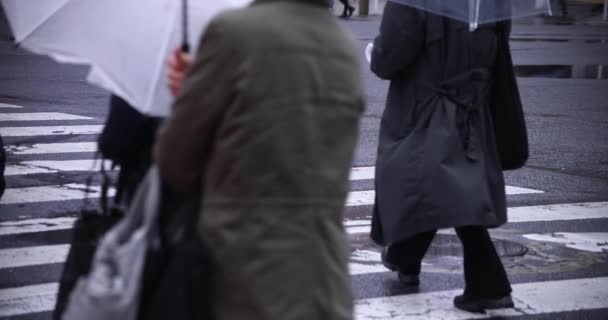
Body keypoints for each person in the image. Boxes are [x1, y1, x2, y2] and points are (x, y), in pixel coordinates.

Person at [156, 0, 365, 319]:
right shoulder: (344, 45)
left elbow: (176, 163)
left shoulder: (235, 33)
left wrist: (191, 96)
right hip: (324, 278)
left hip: (242, 275)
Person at [369, 2, 519, 313]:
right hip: (473, 106)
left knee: (425, 183)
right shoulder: (490, 4)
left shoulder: (414, 2)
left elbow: (389, 57)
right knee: (441, 184)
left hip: (423, 105)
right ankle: (404, 256)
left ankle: (488, 283)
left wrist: (373, 52)